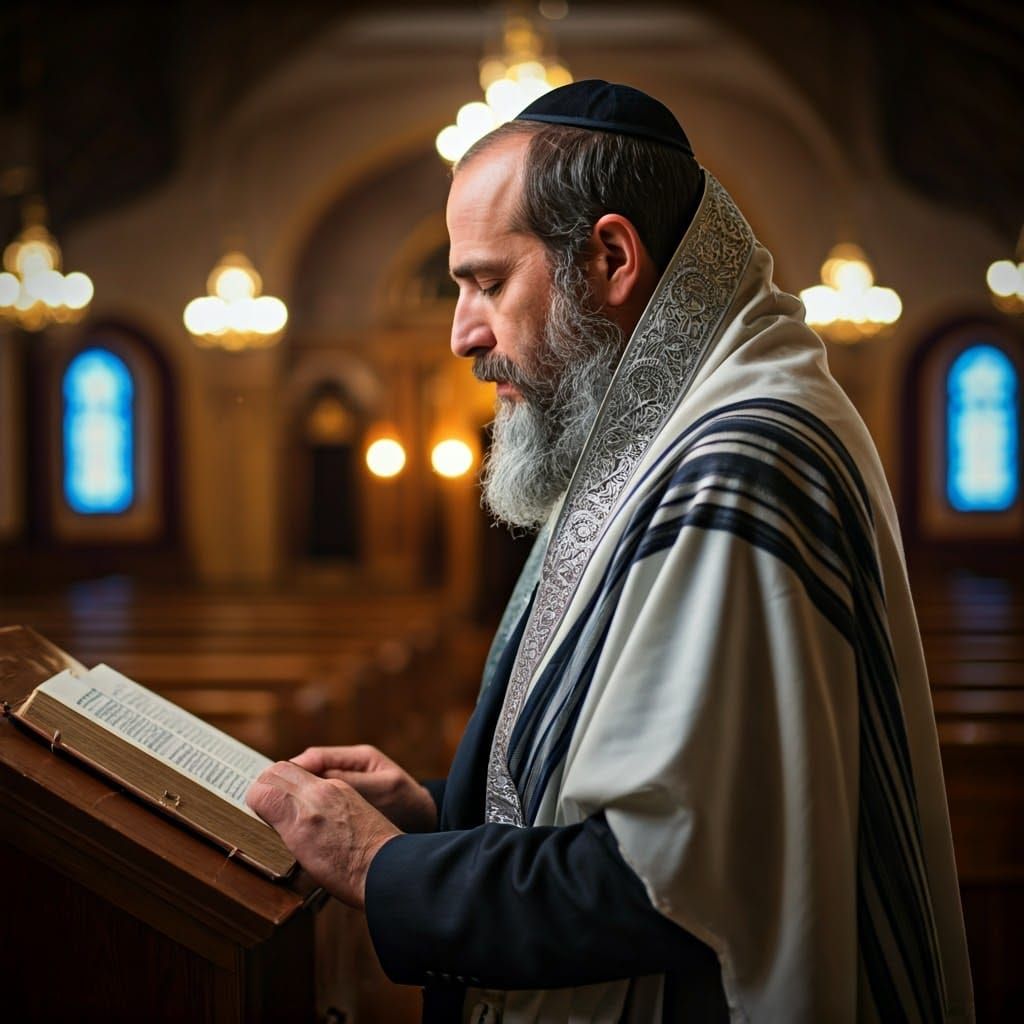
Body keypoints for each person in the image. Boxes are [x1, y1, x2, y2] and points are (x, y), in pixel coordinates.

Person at [246, 81, 974, 1023]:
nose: (463, 332)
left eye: (486, 282)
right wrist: (439, 812)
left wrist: (382, 867)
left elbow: (665, 880)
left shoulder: (736, 465)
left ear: (612, 258)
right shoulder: (650, 439)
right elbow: (632, 782)